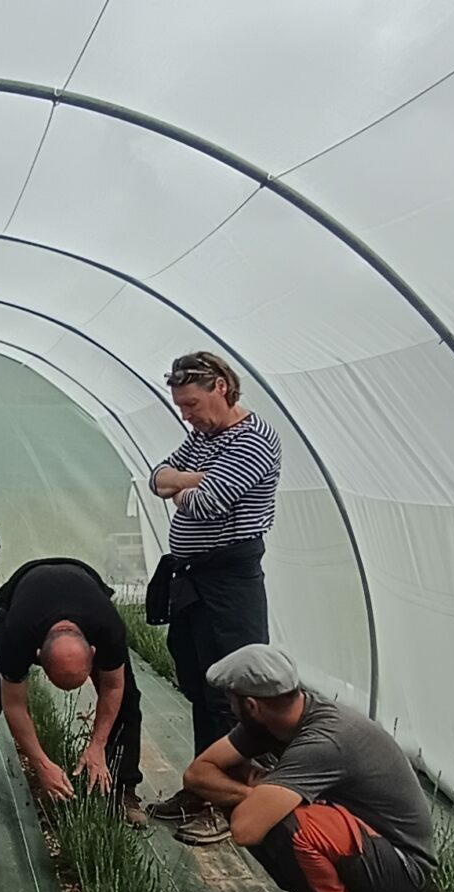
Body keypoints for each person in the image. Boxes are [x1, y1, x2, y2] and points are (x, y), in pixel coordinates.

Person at [182, 645, 435, 892]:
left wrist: (260, 799)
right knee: (247, 793)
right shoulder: (274, 721)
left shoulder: (323, 740)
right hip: (360, 839)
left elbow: (245, 829)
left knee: (285, 822)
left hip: (400, 863)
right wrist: (252, 795)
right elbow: (197, 774)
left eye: (231, 698)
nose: (229, 706)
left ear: (250, 704)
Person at [145, 351, 282, 845]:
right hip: (193, 580)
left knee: (233, 694)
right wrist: (186, 480)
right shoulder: (204, 436)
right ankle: (203, 786)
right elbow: (158, 476)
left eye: (193, 404)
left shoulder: (255, 439)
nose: (187, 415)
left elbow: (205, 503)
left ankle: (229, 801)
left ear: (222, 387)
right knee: (202, 686)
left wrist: (184, 485)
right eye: (181, 406)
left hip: (230, 583)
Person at [0, 558, 146, 828]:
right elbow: (14, 705)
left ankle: (124, 789)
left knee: (128, 701)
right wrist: (41, 764)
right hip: (23, 592)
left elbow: (113, 686)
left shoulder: (108, 628)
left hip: (86, 587)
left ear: (94, 652)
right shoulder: (17, 635)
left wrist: (97, 745)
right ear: (36, 658)